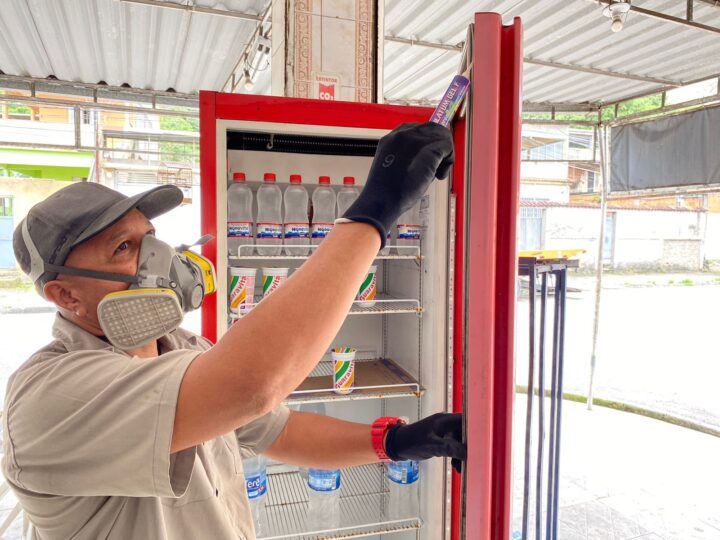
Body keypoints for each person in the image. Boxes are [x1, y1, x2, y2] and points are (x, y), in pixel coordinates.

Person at [4, 122, 464, 539]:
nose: (157, 261)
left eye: (150, 239)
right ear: (66, 297)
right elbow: (255, 385)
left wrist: (399, 442)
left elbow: (280, 431)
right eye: (124, 248)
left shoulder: (183, 349)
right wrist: (374, 212)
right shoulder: (49, 397)